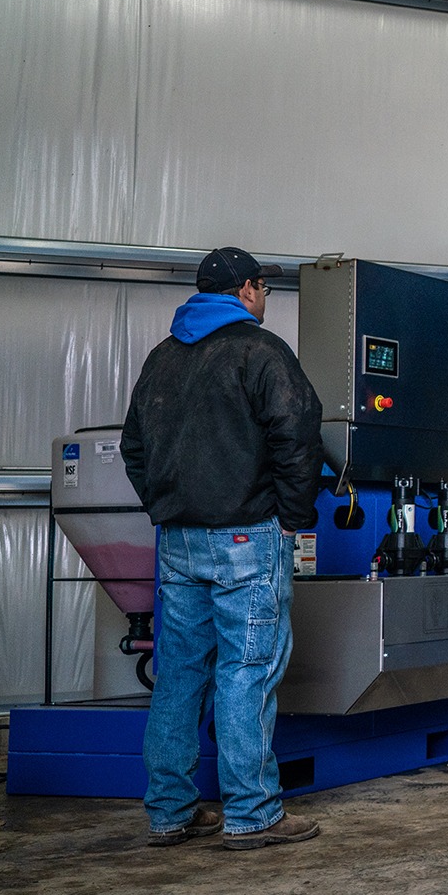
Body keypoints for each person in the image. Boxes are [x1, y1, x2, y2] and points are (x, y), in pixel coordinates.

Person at [120, 246, 325, 851]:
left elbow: (134, 447)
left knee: (180, 674)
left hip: (178, 540)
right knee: (247, 670)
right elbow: (298, 437)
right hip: (247, 536)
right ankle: (253, 812)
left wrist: (167, 507)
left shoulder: (162, 357)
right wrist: (292, 521)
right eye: (264, 288)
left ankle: (170, 812)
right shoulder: (260, 351)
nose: (264, 298)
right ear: (247, 290)